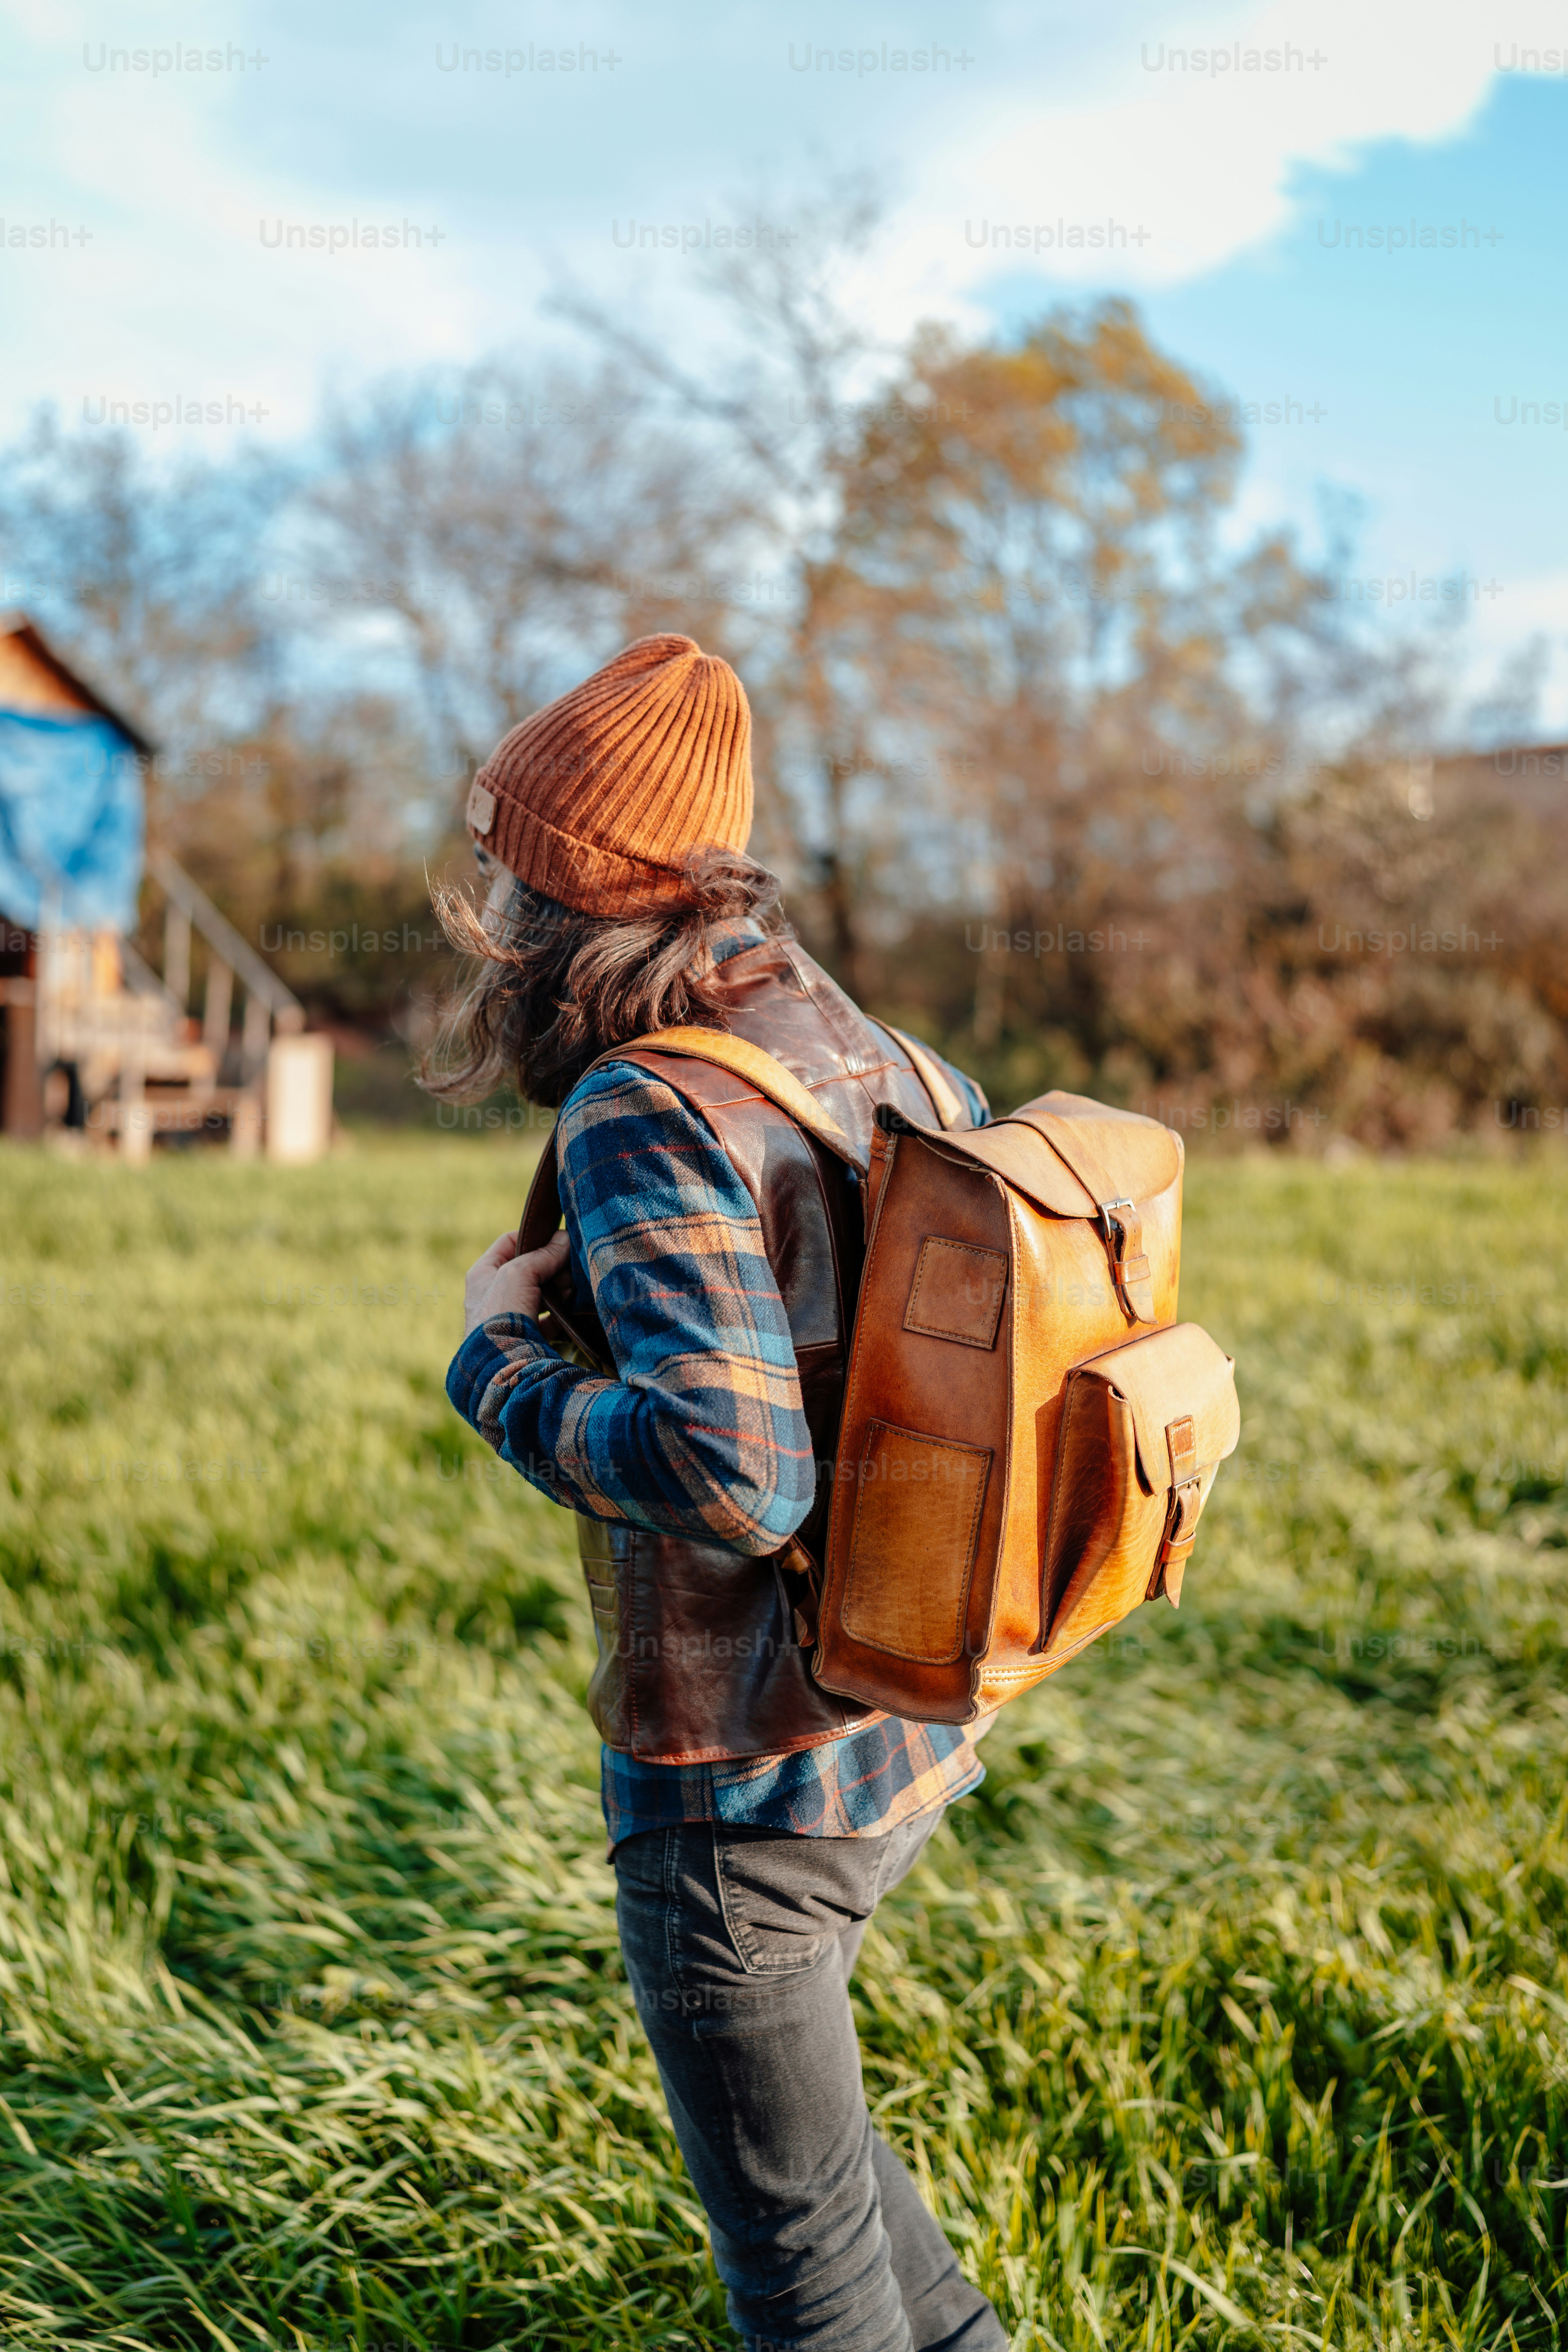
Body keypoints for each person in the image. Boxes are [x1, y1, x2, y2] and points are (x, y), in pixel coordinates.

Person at [434, 633, 1008, 2352]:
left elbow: (727, 1474)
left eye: (507, 873)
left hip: (737, 1796)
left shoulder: (644, 1101)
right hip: (897, 1727)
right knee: (820, 2184)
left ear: (565, 899)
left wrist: (495, 1360)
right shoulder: (876, 1047)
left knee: (801, 2274)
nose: (485, 908)